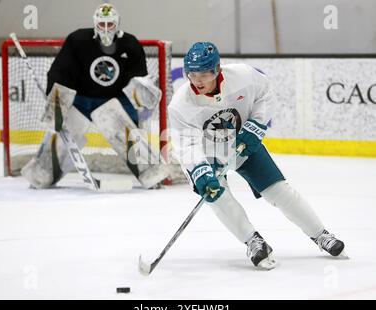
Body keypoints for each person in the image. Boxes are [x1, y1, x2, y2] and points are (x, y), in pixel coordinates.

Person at [168, 42, 346, 270]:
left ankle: (321, 234)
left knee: (280, 191)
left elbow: (266, 94)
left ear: (217, 70)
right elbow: (187, 145)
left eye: (204, 74)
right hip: (206, 154)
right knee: (218, 196)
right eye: (192, 74)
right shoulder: (181, 104)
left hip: (242, 142)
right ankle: (253, 241)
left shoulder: (243, 76)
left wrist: (256, 126)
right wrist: (201, 173)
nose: (198, 81)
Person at [22, 3, 168, 189]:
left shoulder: (130, 44)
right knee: (61, 133)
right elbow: (60, 71)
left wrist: (138, 102)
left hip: (113, 100)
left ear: (117, 24)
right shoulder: (78, 40)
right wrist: (57, 99)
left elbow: (137, 79)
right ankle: (42, 174)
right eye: (102, 24)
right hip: (81, 100)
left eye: (110, 24)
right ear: (95, 24)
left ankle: (151, 174)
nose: (106, 29)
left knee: (128, 135)